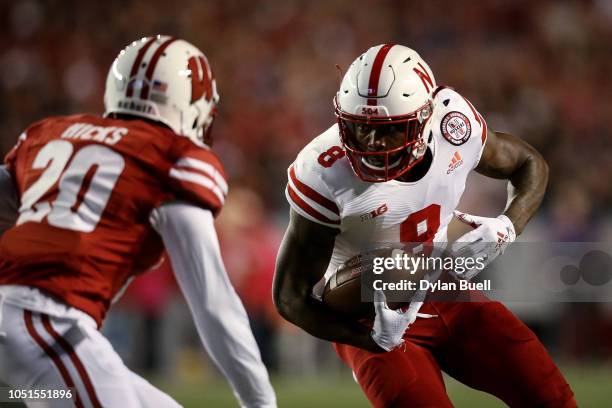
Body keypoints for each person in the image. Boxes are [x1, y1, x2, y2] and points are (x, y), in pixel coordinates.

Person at [273, 44, 576, 407]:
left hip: (443, 287)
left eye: (388, 129)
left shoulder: (453, 125)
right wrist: (368, 340)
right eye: (360, 128)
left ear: (424, 119)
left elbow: (529, 164)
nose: (371, 143)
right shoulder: (322, 170)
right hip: (370, 312)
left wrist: (508, 226)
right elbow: (290, 297)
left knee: (549, 394)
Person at [0, 35, 276, 408]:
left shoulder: (49, 134)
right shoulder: (172, 157)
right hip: (46, 320)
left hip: (38, 324)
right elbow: (214, 303)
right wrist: (260, 402)